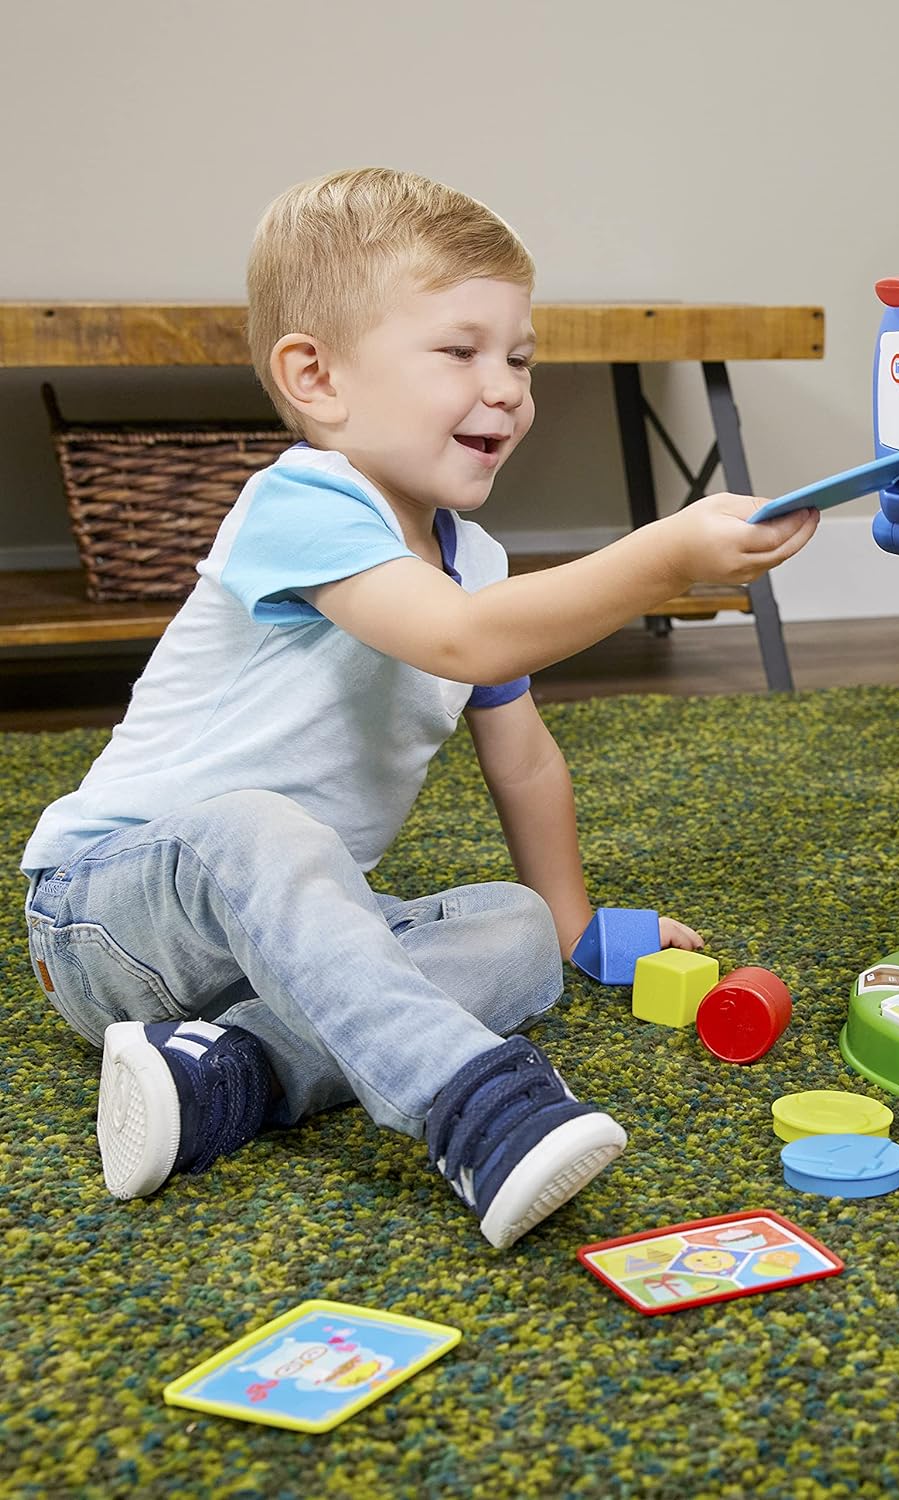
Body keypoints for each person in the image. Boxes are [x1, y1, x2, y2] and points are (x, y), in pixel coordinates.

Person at [19, 167, 818, 1251]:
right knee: (258, 823)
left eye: (520, 358)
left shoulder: (471, 560)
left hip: (280, 931)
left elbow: (523, 759)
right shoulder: (302, 503)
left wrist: (573, 921)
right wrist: (663, 554)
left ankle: (226, 1073)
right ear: (319, 377)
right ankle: (472, 1106)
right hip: (111, 912)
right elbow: (458, 639)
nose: (508, 389)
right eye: (461, 351)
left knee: (516, 934)